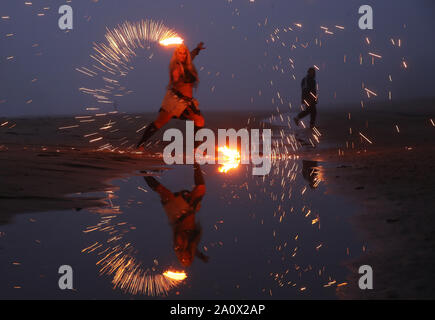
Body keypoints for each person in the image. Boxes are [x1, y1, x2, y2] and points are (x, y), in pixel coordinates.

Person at [136, 42, 206, 149]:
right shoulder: (175, 66)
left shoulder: (187, 64)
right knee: (159, 122)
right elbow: (175, 80)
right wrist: (176, 77)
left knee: (199, 120)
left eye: (184, 54)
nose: (182, 56)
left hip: (187, 101)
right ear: (176, 54)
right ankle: (140, 144)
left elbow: (191, 55)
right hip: (175, 100)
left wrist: (197, 49)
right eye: (179, 53)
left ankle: (195, 149)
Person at [144, 164, 209, 267]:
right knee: (201, 189)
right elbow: (195, 250)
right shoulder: (192, 245)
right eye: (187, 258)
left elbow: (179, 234)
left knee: (165, 193)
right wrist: (202, 257)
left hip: (177, 213)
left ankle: (143, 171)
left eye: (183, 259)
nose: (185, 257)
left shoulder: (178, 245)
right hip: (189, 209)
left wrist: (183, 247)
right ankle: (195, 160)